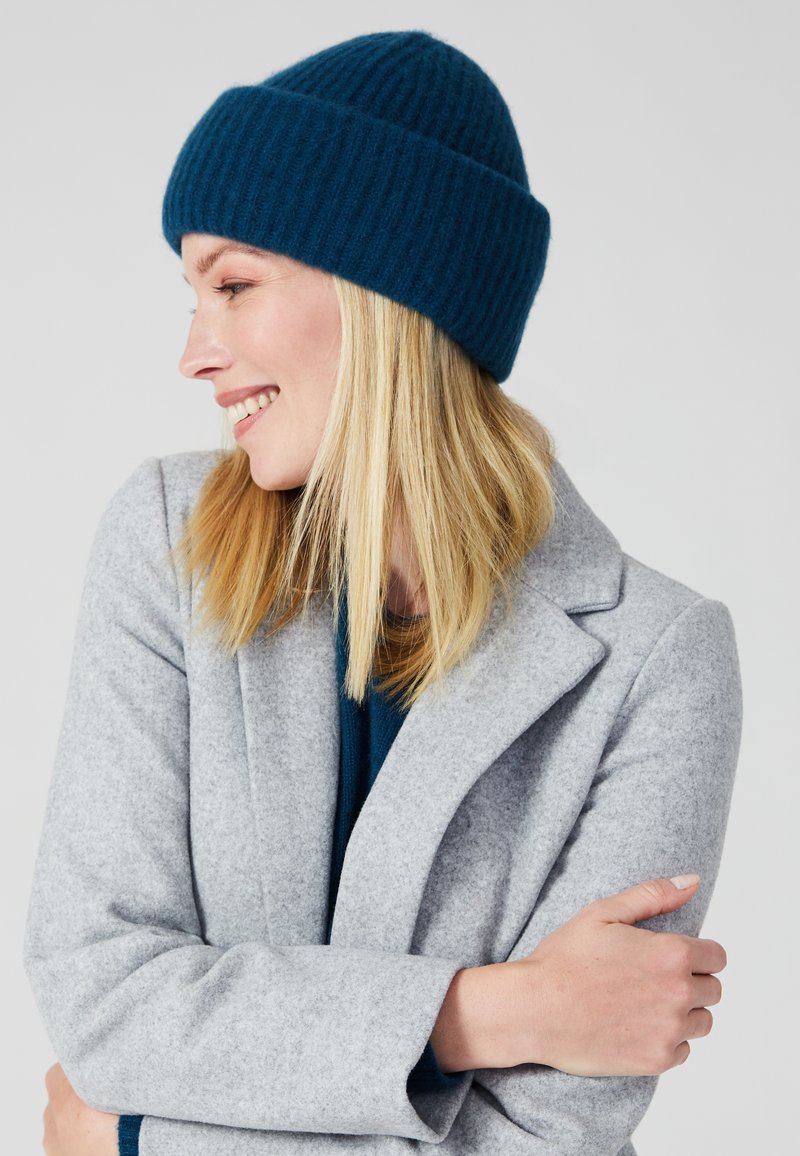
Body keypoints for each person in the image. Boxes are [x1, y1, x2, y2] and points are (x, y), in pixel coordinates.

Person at [23, 29, 742, 1156]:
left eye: (233, 285)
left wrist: (132, 1141)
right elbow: (104, 996)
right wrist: (488, 1013)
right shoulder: (169, 542)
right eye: (192, 296)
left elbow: (538, 1140)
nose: (194, 354)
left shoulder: (657, 658)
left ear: (386, 291)